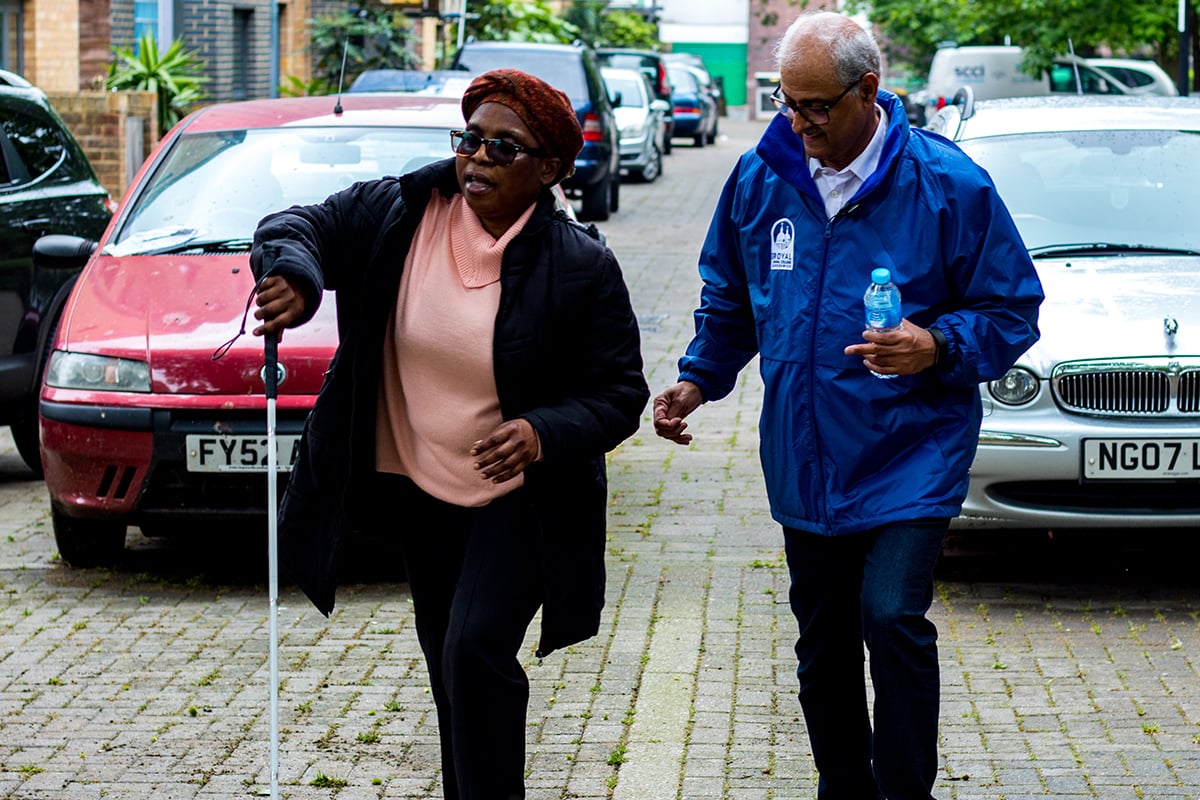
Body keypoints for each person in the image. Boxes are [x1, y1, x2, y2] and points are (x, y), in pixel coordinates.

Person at [652, 11, 1042, 800]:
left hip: (912, 453)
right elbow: (732, 296)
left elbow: (1012, 309)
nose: (797, 124)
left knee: (891, 617)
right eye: (785, 102)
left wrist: (936, 345)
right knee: (823, 643)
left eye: (815, 107)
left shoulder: (949, 184)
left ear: (868, 89)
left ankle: (903, 791)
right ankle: (844, 786)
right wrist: (697, 379)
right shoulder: (762, 176)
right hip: (806, 457)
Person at [249, 69, 649, 800]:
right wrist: (299, 277)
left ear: (549, 170)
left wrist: (540, 431)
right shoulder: (401, 212)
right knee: (448, 666)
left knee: (475, 650)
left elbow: (620, 393)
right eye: (470, 140)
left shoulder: (580, 265)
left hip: (519, 498)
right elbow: (300, 225)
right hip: (422, 490)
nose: (478, 158)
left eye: (505, 147)